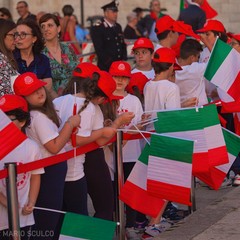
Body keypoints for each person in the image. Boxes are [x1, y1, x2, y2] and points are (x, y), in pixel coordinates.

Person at [13, 72, 81, 240]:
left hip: (49, 169)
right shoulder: (37, 116)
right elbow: (54, 146)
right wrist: (70, 124)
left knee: (51, 218)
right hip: (50, 169)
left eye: (38, 87)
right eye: (31, 91)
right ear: (23, 98)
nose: (38, 92)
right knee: (47, 220)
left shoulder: (37, 114)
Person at [57, 68, 123, 221]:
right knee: (99, 208)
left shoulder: (59, 100)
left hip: (60, 167)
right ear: (100, 98)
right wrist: (113, 126)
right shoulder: (90, 108)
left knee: (66, 216)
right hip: (77, 165)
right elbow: (80, 140)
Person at [142, 47, 183, 239]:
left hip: (149, 136)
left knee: (154, 181)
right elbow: (173, 117)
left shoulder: (148, 85)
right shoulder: (171, 87)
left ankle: (154, 220)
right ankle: (154, 222)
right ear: (170, 67)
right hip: (165, 137)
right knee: (165, 183)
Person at [0, 94, 44, 240]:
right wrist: (8, 203)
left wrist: (31, 202)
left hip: (24, 217)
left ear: (22, 121)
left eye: (7, 119)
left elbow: (35, 177)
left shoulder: (31, 148)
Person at [13, 19, 57, 98]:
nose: (18, 38)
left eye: (23, 34)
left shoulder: (42, 60)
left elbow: (48, 88)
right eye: (16, 34)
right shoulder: (10, 59)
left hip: (39, 101)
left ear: (34, 39)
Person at [39, 13, 78, 96]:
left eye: (50, 25)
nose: (46, 29)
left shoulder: (68, 47)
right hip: (54, 101)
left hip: (75, 96)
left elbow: (78, 71)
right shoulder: (40, 53)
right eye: (43, 26)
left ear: (59, 28)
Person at [90, 1, 127, 71]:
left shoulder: (118, 27)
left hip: (119, 65)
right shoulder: (99, 28)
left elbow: (122, 44)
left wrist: (123, 58)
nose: (115, 14)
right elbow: (99, 49)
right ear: (106, 13)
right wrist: (110, 63)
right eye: (113, 12)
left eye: (116, 12)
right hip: (106, 66)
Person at [175, 38, 208, 106]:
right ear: (192, 58)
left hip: (181, 110)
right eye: (198, 57)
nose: (198, 60)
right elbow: (215, 63)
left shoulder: (173, 71)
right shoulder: (196, 69)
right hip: (198, 111)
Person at [0, 19, 18, 96]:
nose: (16, 39)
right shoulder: (1, 61)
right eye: (13, 35)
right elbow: (5, 95)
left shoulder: (7, 58)